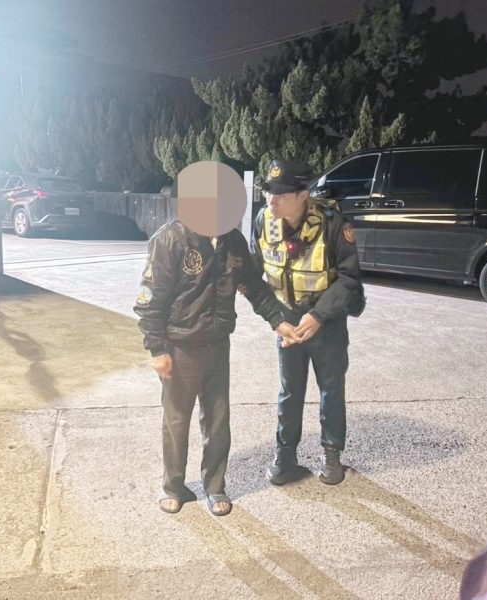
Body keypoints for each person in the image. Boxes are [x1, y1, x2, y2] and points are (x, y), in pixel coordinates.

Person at [134, 219, 299, 516]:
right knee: (176, 421)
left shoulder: (232, 240)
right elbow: (150, 298)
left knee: (218, 419)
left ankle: (214, 486)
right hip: (180, 347)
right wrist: (157, 348)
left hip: (218, 345)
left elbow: (254, 287)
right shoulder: (170, 239)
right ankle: (173, 487)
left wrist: (278, 320)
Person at [250, 159, 365, 486]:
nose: (271, 200)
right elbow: (253, 278)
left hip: (326, 322)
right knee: (290, 391)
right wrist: (275, 320)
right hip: (287, 322)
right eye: (268, 192)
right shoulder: (263, 220)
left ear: (304, 194)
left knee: (331, 389)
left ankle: (331, 455)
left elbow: (349, 279)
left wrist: (318, 316)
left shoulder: (332, 223)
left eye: (281, 194)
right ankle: (285, 455)